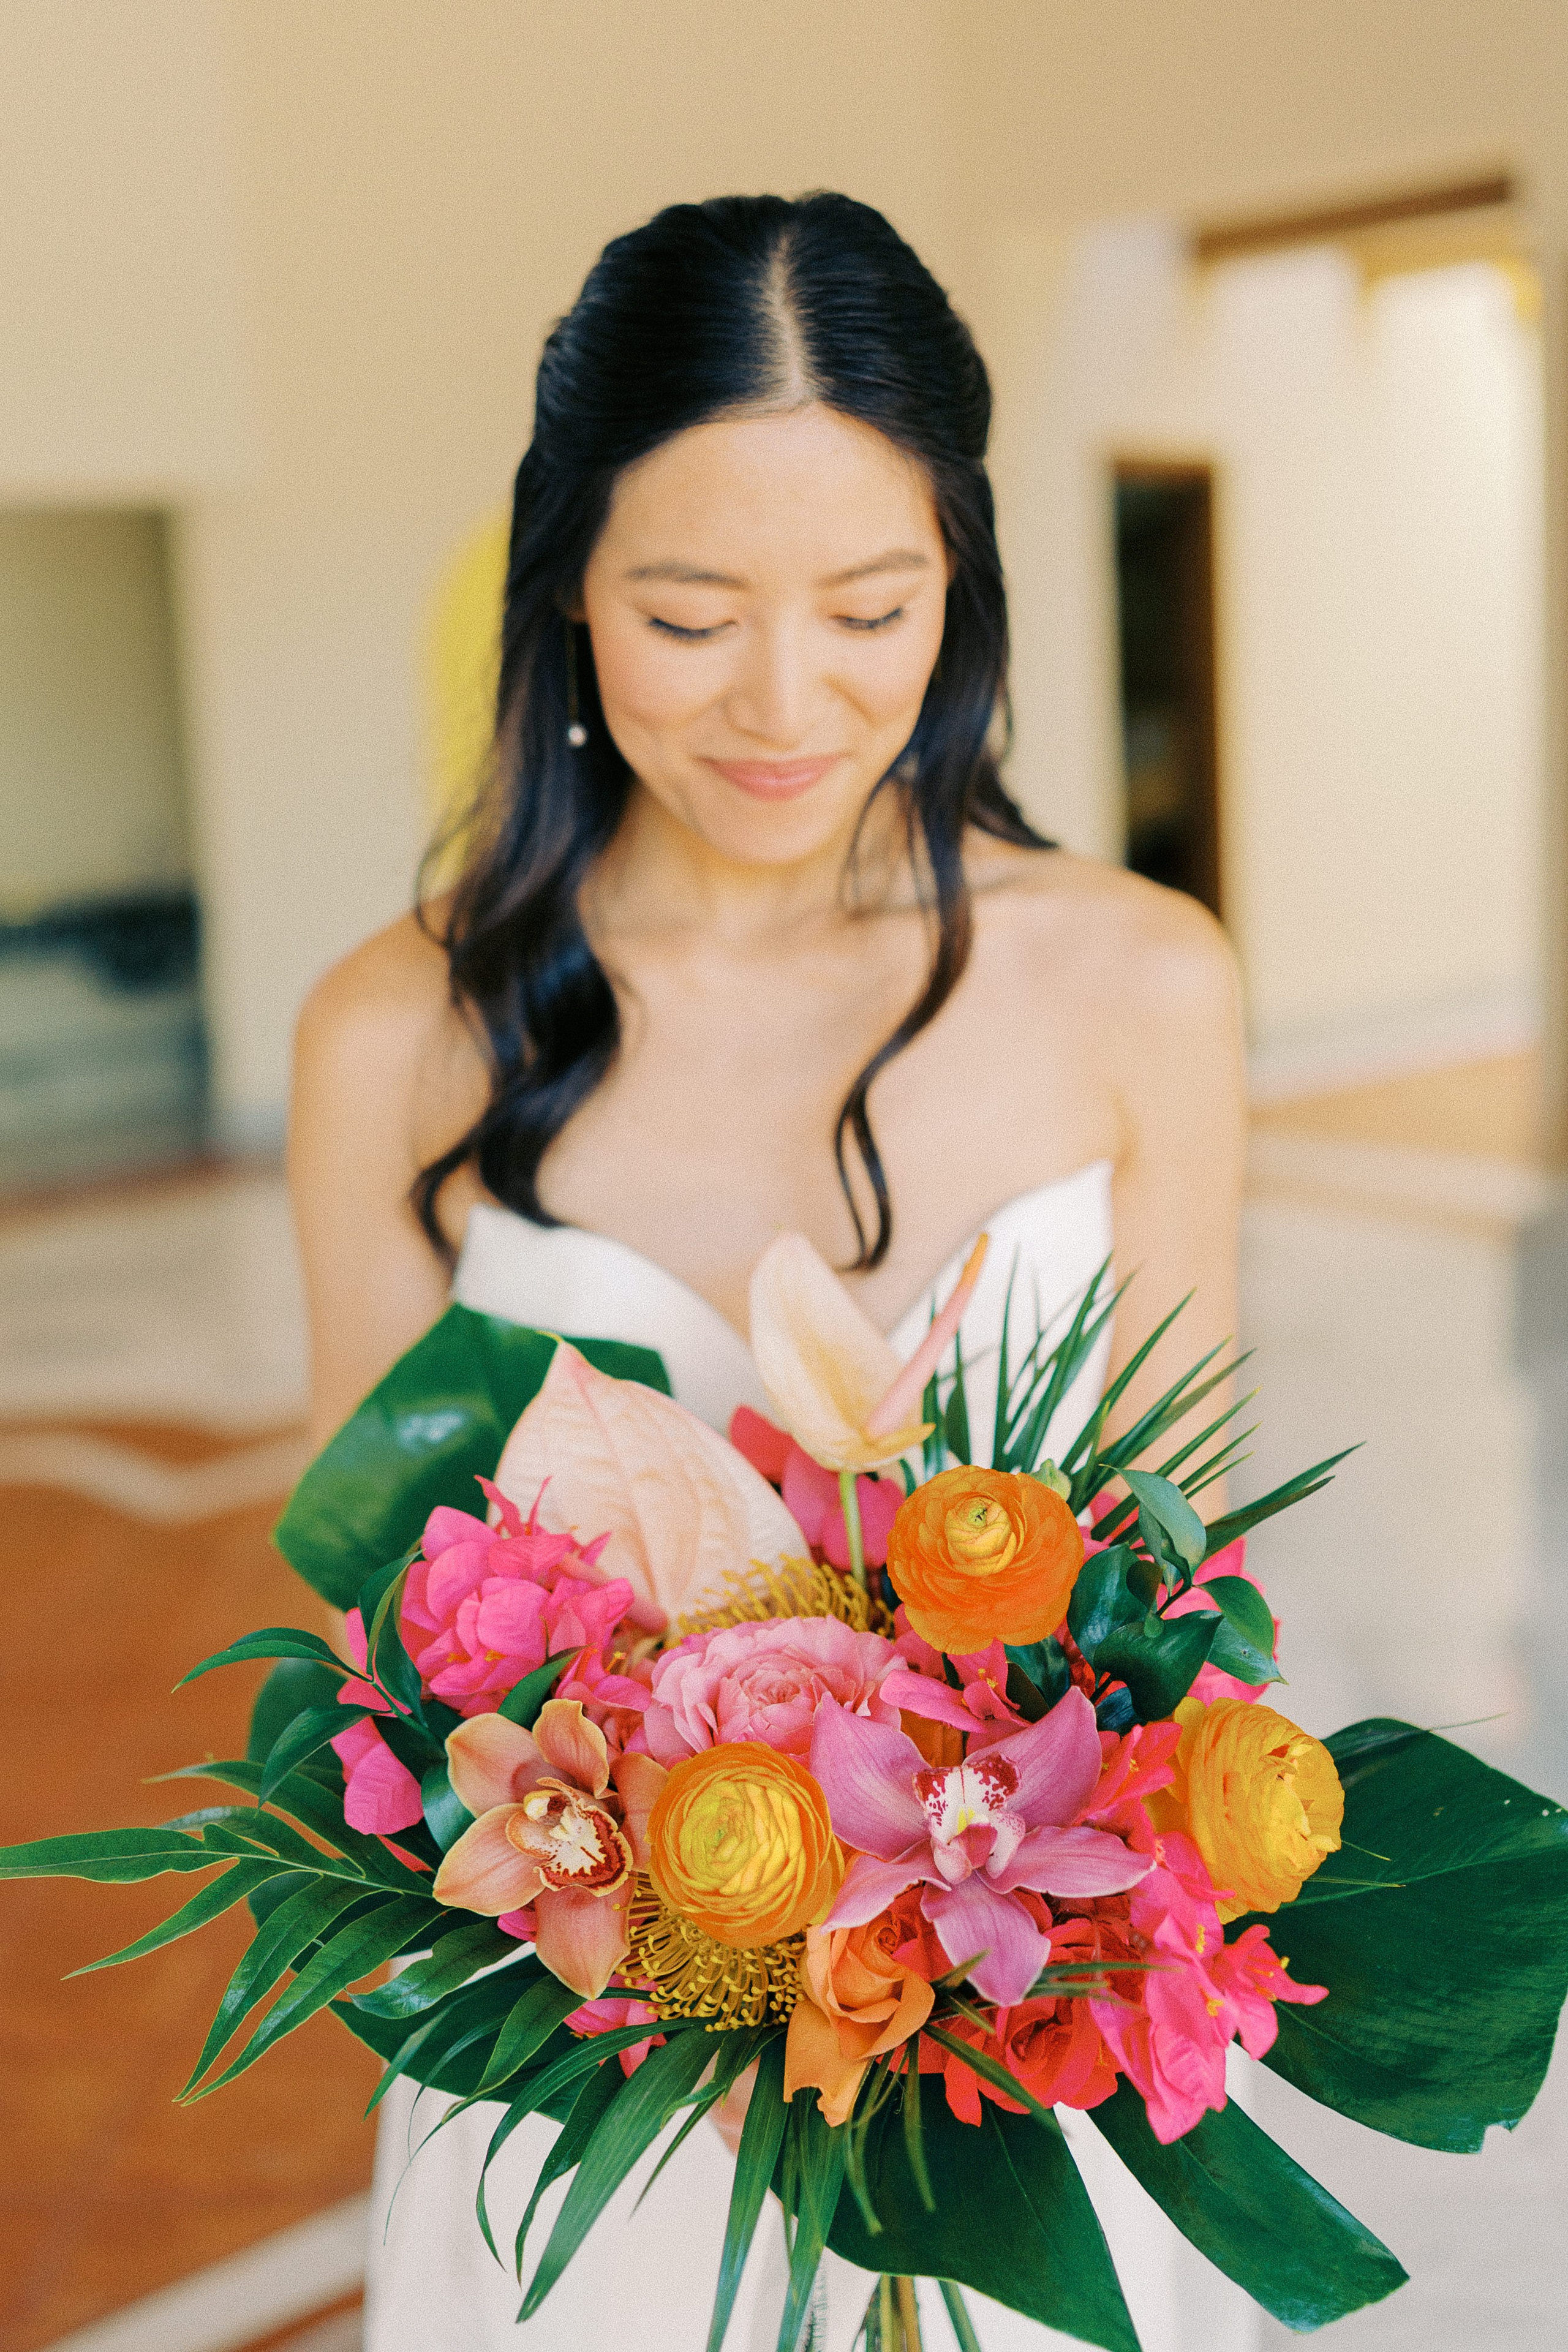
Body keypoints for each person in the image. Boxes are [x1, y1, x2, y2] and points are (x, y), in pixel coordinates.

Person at [288, 193, 1245, 2352]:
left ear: (963, 594)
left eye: (873, 605)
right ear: (568, 597)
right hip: (588, 2121)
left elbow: (1180, 1612)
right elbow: (377, 1680)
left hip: (1014, 2085)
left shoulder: (1141, 984)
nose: (787, 702)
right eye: (692, 614)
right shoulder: (394, 1040)